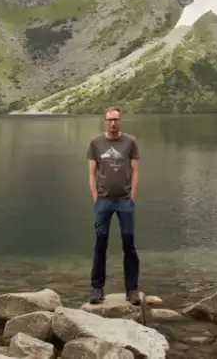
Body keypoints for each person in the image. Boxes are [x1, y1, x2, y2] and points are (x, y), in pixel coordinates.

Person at [86, 105, 141, 305]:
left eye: (116, 119)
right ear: (105, 121)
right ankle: (97, 288)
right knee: (101, 242)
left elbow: (135, 171)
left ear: (120, 120)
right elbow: (92, 173)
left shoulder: (130, 142)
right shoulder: (96, 143)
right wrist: (95, 197)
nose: (113, 123)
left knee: (129, 242)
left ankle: (132, 289)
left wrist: (132, 196)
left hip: (125, 200)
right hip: (103, 200)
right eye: (109, 119)